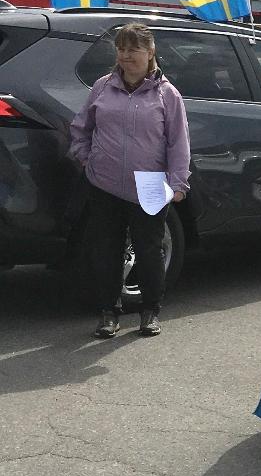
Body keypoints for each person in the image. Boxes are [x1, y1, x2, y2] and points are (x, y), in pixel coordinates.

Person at [69, 23, 191, 339]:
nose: (125, 56)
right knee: (106, 250)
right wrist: (86, 158)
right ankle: (108, 313)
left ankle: (150, 311)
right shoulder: (102, 87)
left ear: (150, 53)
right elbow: (81, 127)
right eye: (121, 49)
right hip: (104, 184)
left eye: (133, 49)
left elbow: (178, 142)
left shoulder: (167, 94)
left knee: (149, 251)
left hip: (150, 186)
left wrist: (178, 183)